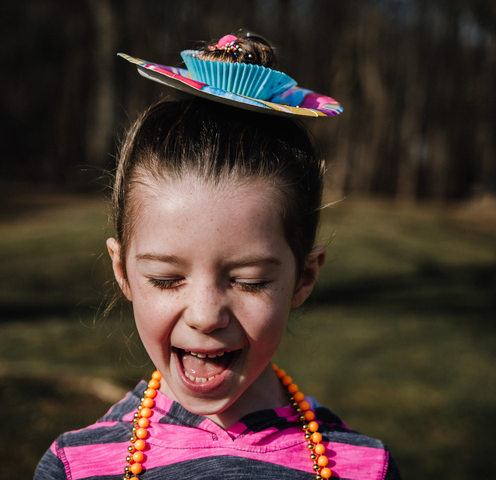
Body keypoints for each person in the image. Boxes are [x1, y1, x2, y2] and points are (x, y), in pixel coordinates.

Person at [35, 34, 400, 480]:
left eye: (249, 281)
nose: (206, 316)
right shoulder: (76, 467)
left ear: (304, 277)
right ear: (122, 271)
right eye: (167, 279)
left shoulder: (363, 468)